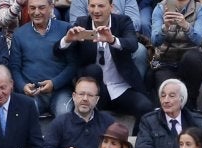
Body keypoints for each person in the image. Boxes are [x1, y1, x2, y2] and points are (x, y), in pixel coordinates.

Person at [55, 0, 154, 133]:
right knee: (92, 70)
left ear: (111, 7)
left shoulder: (123, 21)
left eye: (101, 6)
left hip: (120, 86)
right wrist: (67, 39)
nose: (96, 11)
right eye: (92, 6)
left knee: (145, 107)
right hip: (95, 89)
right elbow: (57, 51)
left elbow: (132, 44)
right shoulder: (82, 23)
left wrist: (112, 39)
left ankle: (135, 144)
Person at [9, 0, 75, 118]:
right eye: (32, 8)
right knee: (25, 116)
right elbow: (14, 67)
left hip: (60, 91)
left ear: (51, 7)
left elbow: (73, 65)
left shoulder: (65, 30)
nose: (37, 12)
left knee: (64, 114)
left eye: (41, 8)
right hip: (32, 92)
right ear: (28, 9)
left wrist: (54, 83)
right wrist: (23, 86)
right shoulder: (19, 34)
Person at [44, 75, 115, 148]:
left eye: (90, 95)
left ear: (97, 99)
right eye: (81, 94)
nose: (85, 99)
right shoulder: (60, 122)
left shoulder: (108, 122)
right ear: (73, 96)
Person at [149, 0, 202, 111]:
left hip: (189, 62)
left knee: (194, 59)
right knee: (167, 97)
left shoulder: (200, 9)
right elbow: (154, 41)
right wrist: (165, 27)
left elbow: (199, 40)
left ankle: (191, 104)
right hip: (165, 61)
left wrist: (186, 26)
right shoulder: (160, 8)